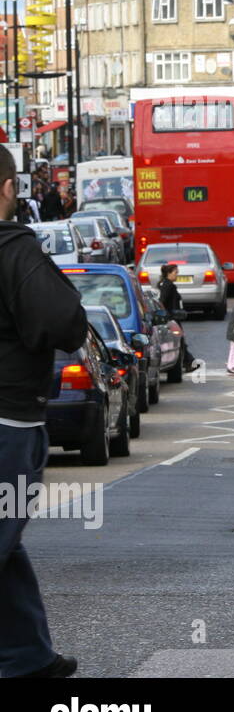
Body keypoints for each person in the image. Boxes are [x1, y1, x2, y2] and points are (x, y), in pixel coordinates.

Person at [0, 145, 86, 677]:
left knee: (5, 544)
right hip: (7, 423)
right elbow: (66, 323)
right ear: (9, 187)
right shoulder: (13, 249)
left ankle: (28, 655)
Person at [158, 264, 200, 373]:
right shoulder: (168, 286)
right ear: (169, 273)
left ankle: (189, 362)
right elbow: (162, 301)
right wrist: (168, 315)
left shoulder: (167, 284)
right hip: (172, 318)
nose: (177, 275)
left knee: (180, 340)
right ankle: (188, 362)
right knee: (179, 340)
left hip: (173, 317)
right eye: (175, 272)